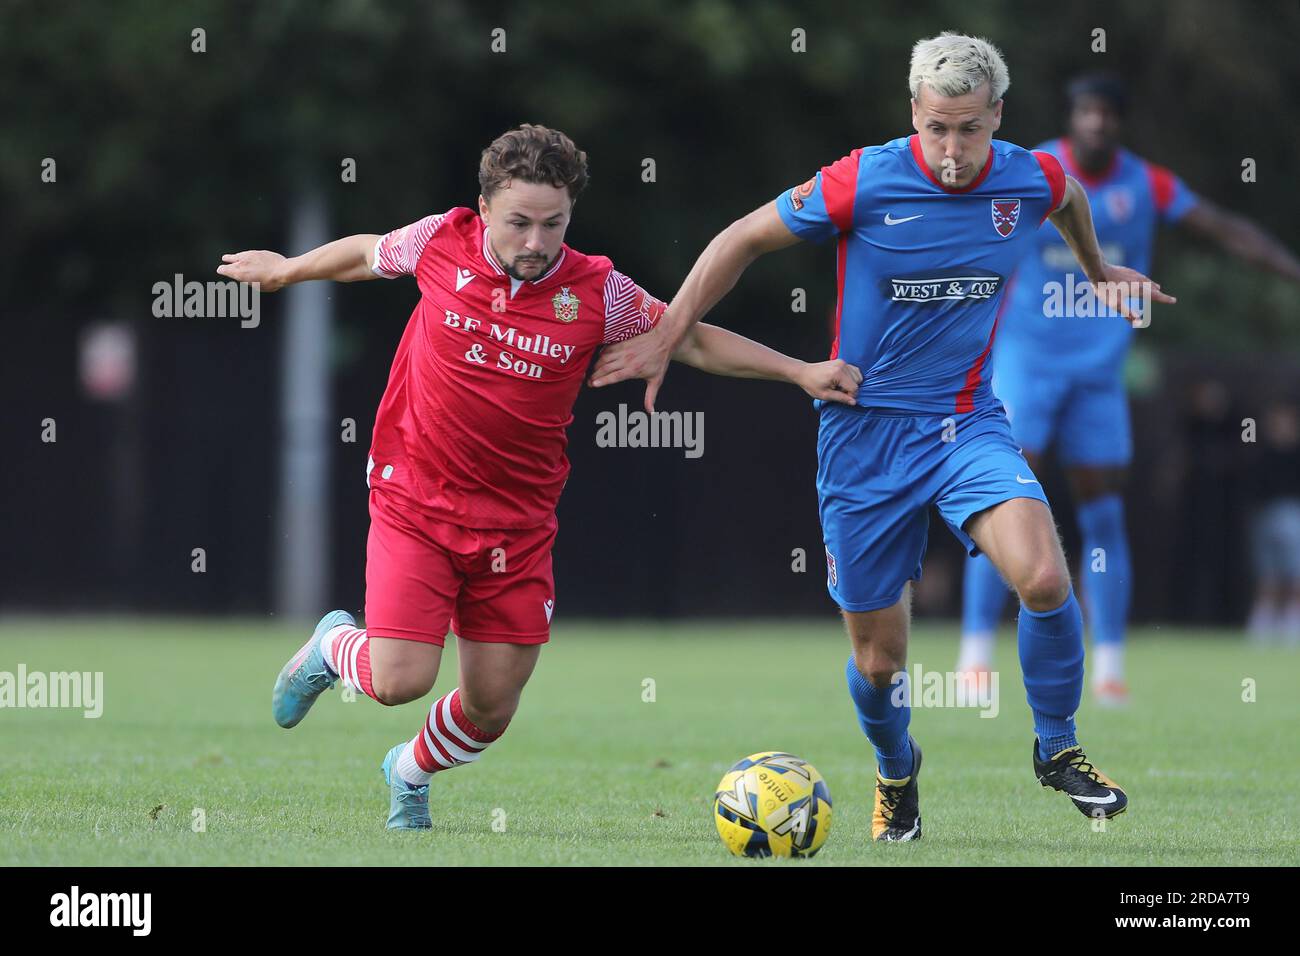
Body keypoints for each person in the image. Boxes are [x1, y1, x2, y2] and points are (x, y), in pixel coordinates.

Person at [591, 33, 1170, 840]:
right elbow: (739, 240)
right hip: (862, 439)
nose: (954, 149)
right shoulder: (863, 178)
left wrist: (1099, 273)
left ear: (998, 117)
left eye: (970, 128)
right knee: (879, 663)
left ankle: (1057, 745)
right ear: (914, 115)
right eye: (937, 128)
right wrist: (667, 334)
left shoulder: (1027, 176)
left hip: (967, 424)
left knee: (1042, 577)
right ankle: (897, 772)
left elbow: (1068, 196)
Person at [216, 124, 862, 830]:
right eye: (519, 222)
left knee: (491, 707)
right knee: (401, 680)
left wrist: (800, 372)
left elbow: (693, 338)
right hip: (415, 497)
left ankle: (407, 771)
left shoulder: (597, 291)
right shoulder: (441, 241)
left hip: (517, 523)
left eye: (552, 224)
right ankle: (332, 645)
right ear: (485, 207)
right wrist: (287, 270)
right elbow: (367, 255)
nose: (535, 240)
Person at [958, 72, 1300, 705]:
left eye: (1107, 113)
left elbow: (1223, 227)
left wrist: (1288, 269)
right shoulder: (1033, 169)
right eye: (1085, 111)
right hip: (1025, 363)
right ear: (1072, 118)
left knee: (1104, 514)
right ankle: (975, 656)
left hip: (1098, 374)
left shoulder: (1148, 184)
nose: (1096, 122)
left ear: (1120, 122)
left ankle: (1109, 665)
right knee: (998, 501)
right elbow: (969, 231)